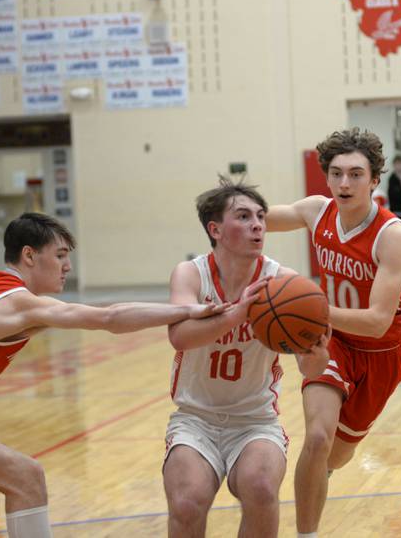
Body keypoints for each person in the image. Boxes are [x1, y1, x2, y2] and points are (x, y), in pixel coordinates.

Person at [0, 212, 225, 538]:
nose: (68, 266)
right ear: (29, 255)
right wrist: (188, 309)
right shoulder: (20, 305)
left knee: (23, 477)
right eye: (60, 255)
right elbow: (109, 318)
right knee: (25, 478)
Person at [266, 128, 401, 538]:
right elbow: (256, 220)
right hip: (329, 342)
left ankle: (322, 472)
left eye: (355, 174)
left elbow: (378, 320)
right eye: (336, 173)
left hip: (381, 355)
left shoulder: (392, 235)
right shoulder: (316, 211)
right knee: (316, 436)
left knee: (335, 456)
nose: (344, 183)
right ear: (326, 177)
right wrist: (228, 213)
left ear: (374, 180)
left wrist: (310, 308)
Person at [162, 178, 329, 538]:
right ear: (216, 229)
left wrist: (318, 352)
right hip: (195, 419)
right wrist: (239, 312)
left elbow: (308, 367)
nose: (257, 224)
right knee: (187, 502)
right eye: (243, 216)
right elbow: (180, 336)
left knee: (262, 488)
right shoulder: (191, 274)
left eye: (260, 216)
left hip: (255, 421)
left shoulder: (283, 282)